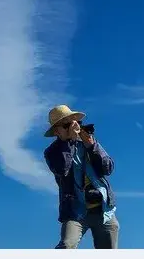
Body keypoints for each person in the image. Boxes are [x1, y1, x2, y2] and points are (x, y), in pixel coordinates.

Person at [43, 105, 119, 249]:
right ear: (57, 131)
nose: (74, 127)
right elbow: (62, 169)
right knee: (67, 246)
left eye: (76, 123)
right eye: (67, 125)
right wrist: (69, 142)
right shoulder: (52, 152)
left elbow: (108, 168)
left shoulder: (88, 141)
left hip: (103, 210)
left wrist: (92, 146)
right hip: (75, 211)